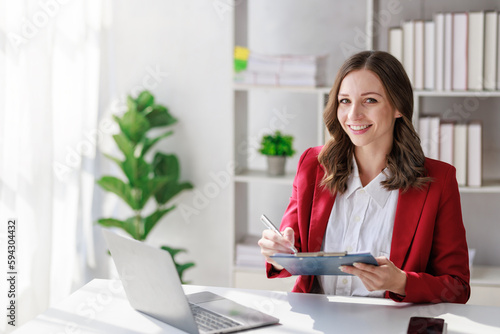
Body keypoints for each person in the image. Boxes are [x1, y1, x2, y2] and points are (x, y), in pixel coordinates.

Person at [258, 50, 470, 304]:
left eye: (370, 100)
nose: (353, 115)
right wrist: (277, 253)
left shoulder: (439, 180)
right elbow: (294, 255)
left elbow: (458, 288)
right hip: (314, 321)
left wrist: (399, 281)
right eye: (345, 101)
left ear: (398, 107)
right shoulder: (313, 165)